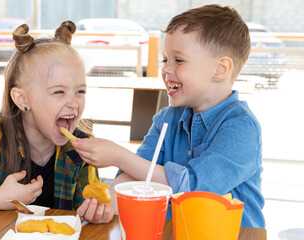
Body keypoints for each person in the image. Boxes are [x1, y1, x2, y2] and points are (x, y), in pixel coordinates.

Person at [72, 4, 265, 228]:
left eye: (179, 60)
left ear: (220, 69)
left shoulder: (241, 127)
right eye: (165, 60)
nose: (165, 69)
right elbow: (136, 173)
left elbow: (193, 187)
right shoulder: (166, 119)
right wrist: (110, 205)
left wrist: (119, 156)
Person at [0, 21, 113, 224]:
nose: (74, 103)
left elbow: (88, 208)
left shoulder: (82, 150)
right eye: (59, 91)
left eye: (80, 91)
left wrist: (96, 212)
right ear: (21, 99)